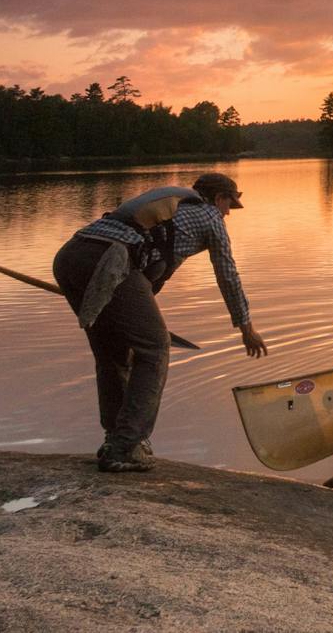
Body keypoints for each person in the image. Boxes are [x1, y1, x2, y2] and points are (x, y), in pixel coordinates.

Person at [52, 171, 268, 473]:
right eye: (230, 205)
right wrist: (247, 328)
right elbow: (228, 275)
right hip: (111, 261)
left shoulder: (173, 209)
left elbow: (146, 266)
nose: (229, 213)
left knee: (113, 353)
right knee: (155, 348)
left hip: (70, 256)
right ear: (219, 198)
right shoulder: (210, 217)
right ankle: (126, 446)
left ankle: (115, 440)